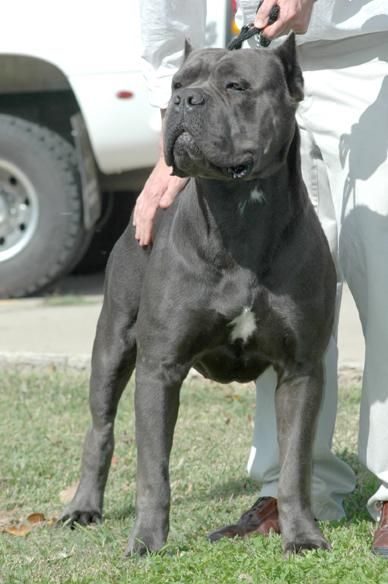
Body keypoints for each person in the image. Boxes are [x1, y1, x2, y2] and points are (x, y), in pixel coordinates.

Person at [138, 0, 388, 556]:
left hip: (375, 55)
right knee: (278, 297)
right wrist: (175, 117)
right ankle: (292, 493)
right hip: (245, 68)